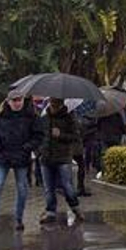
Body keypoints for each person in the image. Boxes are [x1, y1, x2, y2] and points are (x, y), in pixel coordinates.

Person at [0, 93, 41, 230]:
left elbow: (38, 136)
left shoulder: (31, 116)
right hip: (3, 155)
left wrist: (27, 147)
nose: (17, 103)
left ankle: (18, 219)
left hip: (21, 156)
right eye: (14, 100)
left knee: (22, 188)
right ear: (8, 102)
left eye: (19, 100)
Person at [36, 97, 84, 226]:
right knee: (48, 188)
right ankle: (50, 211)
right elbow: (39, 135)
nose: (53, 106)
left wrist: (61, 135)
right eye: (51, 103)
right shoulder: (44, 119)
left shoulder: (69, 118)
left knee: (67, 186)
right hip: (46, 157)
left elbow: (75, 136)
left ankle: (75, 207)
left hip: (63, 157)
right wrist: (39, 150)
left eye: (56, 103)